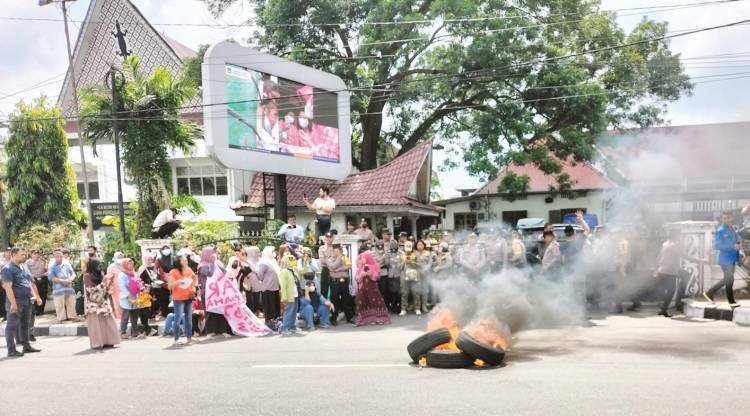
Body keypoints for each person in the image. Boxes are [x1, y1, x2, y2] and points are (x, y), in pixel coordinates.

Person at [2, 248, 42, 357]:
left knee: (25, 325)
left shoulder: (24, 266)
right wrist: (13, 303)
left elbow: (30, 283)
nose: (24, 256)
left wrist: (37, 297)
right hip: (16, 302)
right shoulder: (8, 268)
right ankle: (11, 350)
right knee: (11, 327)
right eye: (22, 254)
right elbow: (7, 287)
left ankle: (26, 346)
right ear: (14, 255)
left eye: (25, 254)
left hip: (27, 301)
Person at [703, 211, 744, 307]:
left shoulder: (733, 229)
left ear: (732, 218)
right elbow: (717, 245)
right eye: (724, 218)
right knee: (728, 279)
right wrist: (733, 247)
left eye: (728, 218)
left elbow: (739, 239)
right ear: (722, 219)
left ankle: (730, 301)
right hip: (725, 260)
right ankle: (711, 292)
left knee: (730, 280)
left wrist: (740, 244)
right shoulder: (720, 230)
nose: (726, 220)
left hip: (733, 259)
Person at [83, 258, 121, 349]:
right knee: (96, 324)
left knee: (107, 322)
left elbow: (105, 288)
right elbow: (90, 290)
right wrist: (103, 283)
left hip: (103, 302)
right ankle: (97, 342)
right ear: (92, 265)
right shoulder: (87, 276)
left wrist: (107, 283)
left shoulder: (101, 274)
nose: (100, 266)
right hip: (93, 303)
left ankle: (109, 341)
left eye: (100, 264)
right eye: (98, 264)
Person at [199, 248, 233, 337]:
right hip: (207, 293)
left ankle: (223, 330)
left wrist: (216, 263)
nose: (214, 255)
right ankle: (211, 331)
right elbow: (210, 273)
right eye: (212, 254)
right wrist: (212, 263)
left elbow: (224, 272)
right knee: (210, 311)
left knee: (221, 310)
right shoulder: (202, 266)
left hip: (219, 292)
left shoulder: (216, 263)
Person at [354, 249, 391, 326]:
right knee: (360, 302)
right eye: (362, 258)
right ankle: (361, 320)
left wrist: (370, 274)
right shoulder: (360, 267)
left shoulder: (374, 266)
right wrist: (361, 275)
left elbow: (377, 277)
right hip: (362, 288)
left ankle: (379, 318)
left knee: (376, 302)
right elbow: (357, 278)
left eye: (364, 258)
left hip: (372, 288)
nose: (362, 259)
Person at [167, 255, 198, 345]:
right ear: (178, 262)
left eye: (186, 260)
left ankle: (189, 337)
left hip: (188, 296)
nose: (186, 261)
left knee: (189, 318)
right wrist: (179, 281)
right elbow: (170, 286)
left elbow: (194, 278)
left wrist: (193, 288)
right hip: (178, 298)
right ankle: (176, 339)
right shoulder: (173, 271)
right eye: (184, 260)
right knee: (178, 317)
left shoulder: (188, 269)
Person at [327, 244, 354, 324]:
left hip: (344, 281)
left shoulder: (344, 258)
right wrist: (339, 258)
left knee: (346, 299)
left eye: (338, 251)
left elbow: (348, 266)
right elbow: (332, 267)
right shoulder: (329, 259)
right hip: (335, 282)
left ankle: (349, 317)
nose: (337, 252)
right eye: (335, 251)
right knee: (334, 300)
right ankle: (334, 318)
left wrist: (339, 269)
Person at [48, 250, 79, 323]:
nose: (59, 258)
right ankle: (61, 319)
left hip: (69, 288)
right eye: (57, 257)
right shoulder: (52, 267)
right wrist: (63, 281)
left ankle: (72, 317)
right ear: (54, 258)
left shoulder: (67, 265)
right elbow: (52, 278)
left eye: (61, 256)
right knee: (59, 305)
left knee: (71, 303)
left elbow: (73, 274)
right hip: (58, 289)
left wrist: (70, 279)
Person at [258, 246, 282, 330]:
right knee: (269, 305)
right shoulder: (264, 262)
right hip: (267, 287)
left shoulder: (273, 261)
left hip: (275, 287)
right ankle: (269, 322)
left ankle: (275, 321)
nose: (273, 253)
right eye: (272, 251)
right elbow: (260, 276)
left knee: (275, 304)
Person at [135, 254, 158, 336]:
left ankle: (147, 328)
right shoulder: (142, 268)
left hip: (150, 290)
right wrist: (144, 286)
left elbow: (154, 277)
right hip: (143, 291)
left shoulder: (152, 267)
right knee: (144, 309)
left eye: (151, 259)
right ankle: (146, 329)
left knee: (148, 308)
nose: (150, 261)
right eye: (148, 259)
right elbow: (138, 279)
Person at [117, 259, 141, 339]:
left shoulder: (133, 273)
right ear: (125, 265)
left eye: (132, 264)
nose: (131, 266)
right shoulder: (122, 274)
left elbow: (137, 283)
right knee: (125, 316)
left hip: (135, 296)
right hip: (126, 297)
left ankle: (135, 332)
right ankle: (123, 332)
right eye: (129, 264)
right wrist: (128, 295)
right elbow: (122, 286)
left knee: (135, 315)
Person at [279, 254, 302, 335]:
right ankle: (285, 328)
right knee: (288, 311)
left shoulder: (293, 270)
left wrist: (305, 262)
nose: (294, 261)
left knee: (294, 312)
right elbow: (283, 286)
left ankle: (292, 326)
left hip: (295, 295)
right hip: (289, 295)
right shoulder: (284, 271)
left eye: (294, 260)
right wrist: (284, 297)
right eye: (292, 260)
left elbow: (303, 271)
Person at [399, 241, 422, 316]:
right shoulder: (401, 254)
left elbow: (420, 265)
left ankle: (417, 308)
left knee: (416, 292)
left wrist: (412, 262)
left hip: (414, 275)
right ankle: (403, 309)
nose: (408, 250)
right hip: (404, 276)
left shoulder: (416, 254)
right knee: (404, 293)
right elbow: (398, 267)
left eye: (409, 248)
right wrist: (404, 262)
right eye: (407, 248)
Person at [241, 246, 263, 316]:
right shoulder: (248, 261)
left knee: (259, 295)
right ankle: (256, 310)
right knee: (254, 296)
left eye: (258, 251)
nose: (258, 253)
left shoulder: (260, 260)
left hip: (260, 282)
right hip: (252, 282)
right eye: (256, 252)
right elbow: (256, 270)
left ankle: (259, 310)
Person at [26, 250, 48, 316]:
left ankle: (41, 310)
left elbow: (47, 269)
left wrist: (45, 273)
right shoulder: (28, 262)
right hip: (33, 280)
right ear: (31, 254)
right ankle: (35, 310)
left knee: (43, 295)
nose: (36, 255)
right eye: (35, 253)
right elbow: (27, 271)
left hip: (42, 279)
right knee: (34, 295)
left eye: (38, 253)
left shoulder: (43, 261)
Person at [318, 232, 336, 299]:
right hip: (325, 270)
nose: (329, 239)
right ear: (325, 238)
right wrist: (332, 259)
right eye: (327, 237)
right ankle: (324, 307)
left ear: (333, 238)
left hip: (334, 270)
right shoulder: (321, 248)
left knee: (335, 289)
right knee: (324, 289)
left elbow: (337, 259)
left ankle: (334, 307)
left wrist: (328, 259)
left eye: (330, 237)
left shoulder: (336, 248)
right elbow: (322, 260)